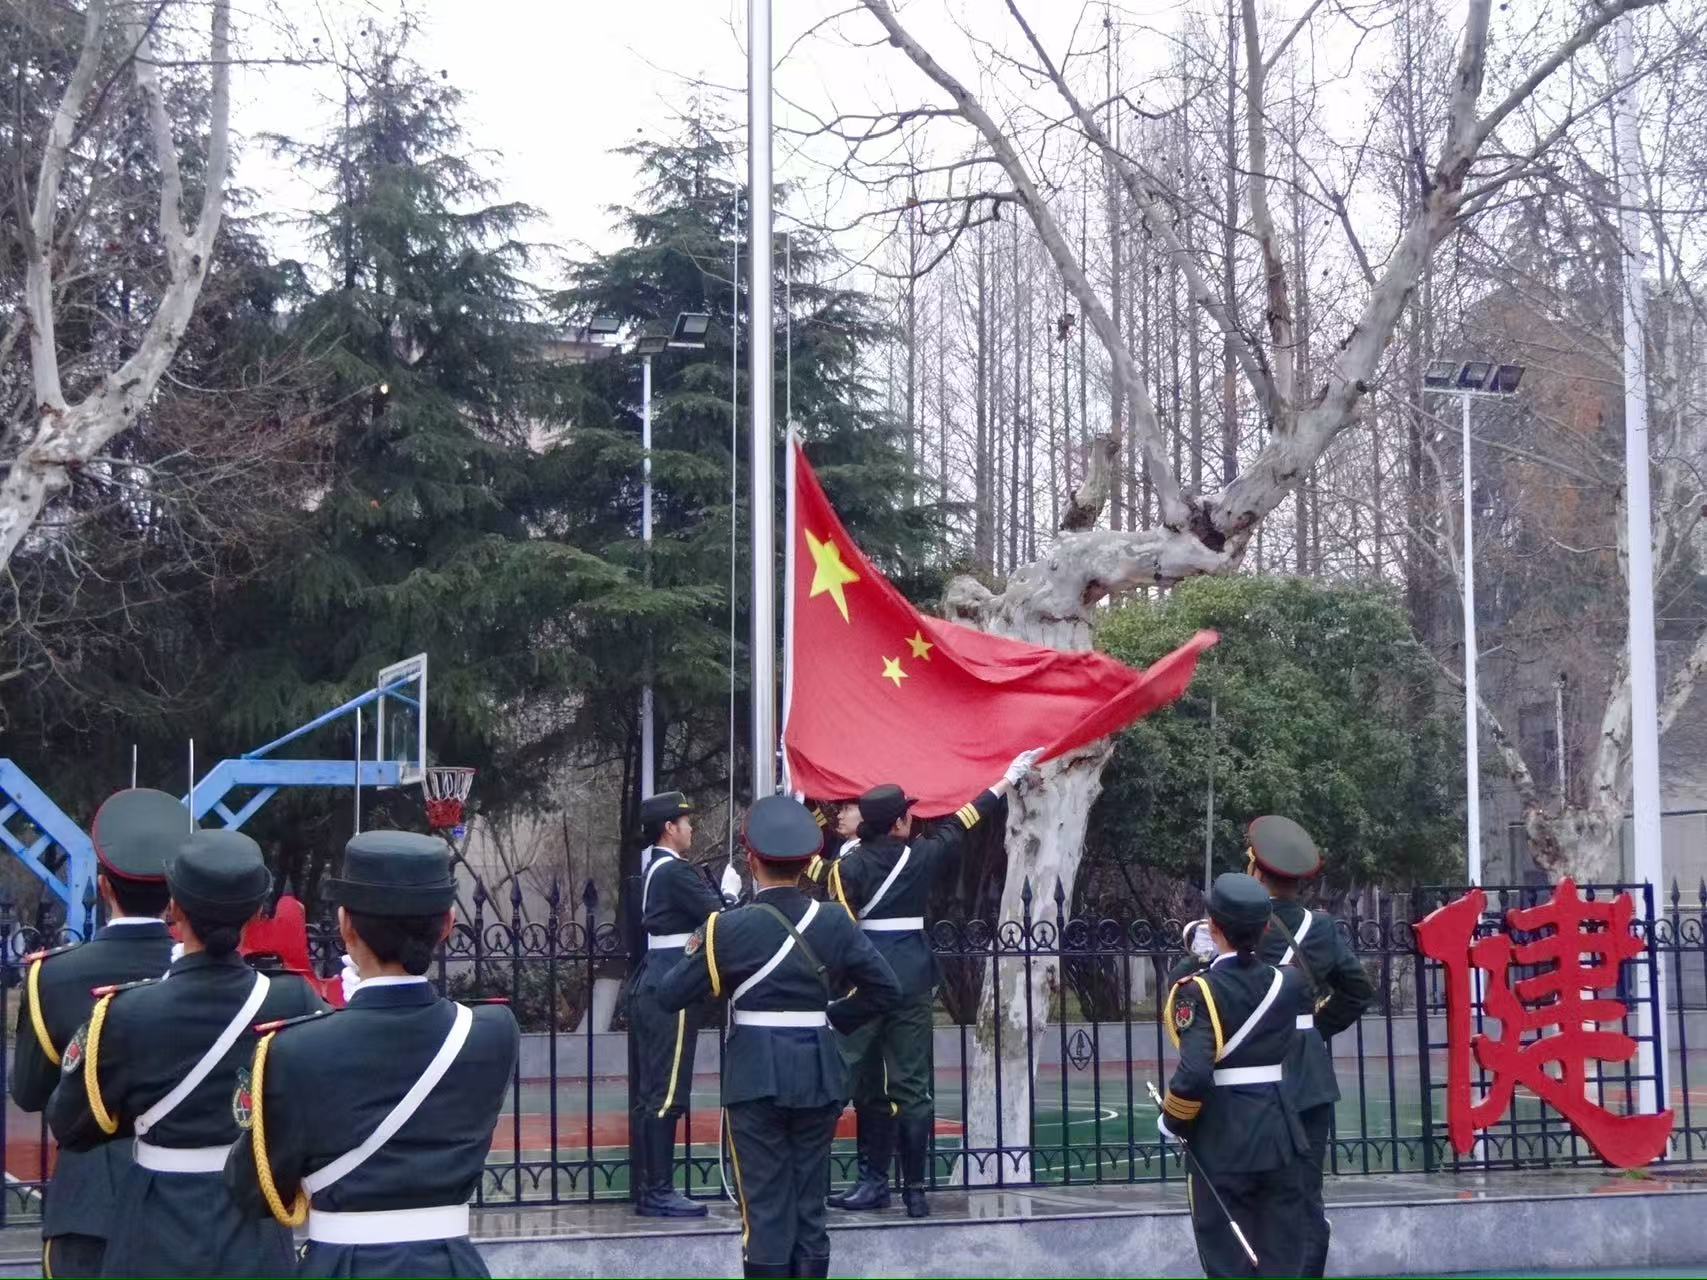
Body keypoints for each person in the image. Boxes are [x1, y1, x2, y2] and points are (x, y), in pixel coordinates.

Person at [225, 831, 520, 1278]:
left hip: (342, 1265)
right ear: (447, 925)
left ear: (346, 926)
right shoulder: (492, 1033)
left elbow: (252, 1189)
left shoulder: (293, 1048)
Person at [45, 829, 328, 1278]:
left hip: (156, 1220)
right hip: (252, 1225)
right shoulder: (294, 1002)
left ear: (174, 908)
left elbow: (70, 1122)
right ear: (256, 911)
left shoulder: (125, 1012)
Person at [656, 795, 900, 1279]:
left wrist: (717, 955)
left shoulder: (726, 928)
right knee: (810, 1208)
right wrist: (833, 1015)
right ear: (807, 863)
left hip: (756, 1078)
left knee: (765, 1211)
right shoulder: (834, 921)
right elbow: (886, 989)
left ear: (751, 860)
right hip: (817, 1073)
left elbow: (669, 994)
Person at [821, 748, 1043, 1217]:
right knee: (912, 1087)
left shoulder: (847, 868)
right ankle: (915, 1190)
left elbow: (841, 932)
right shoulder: (921, 856)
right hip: (912, 980)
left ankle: (869, 1181)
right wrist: (1005, 780)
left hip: (864, 983)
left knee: (858, 1085)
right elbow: (965, 819)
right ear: (898, 823)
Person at [11, 789, 182, 1279]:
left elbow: (29, 1092)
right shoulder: (221, 981)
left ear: (103, 887)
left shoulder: (54, 976)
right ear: (175, 895)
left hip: (88, 1203)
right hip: (187, 1205)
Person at [1159, 873, 1311, 1279]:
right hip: (1280, 1132)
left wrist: (1172, 1120)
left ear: (1213, 927)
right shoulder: (1288, 982)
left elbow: (1194, 1074)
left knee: (1229, 1261)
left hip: (1222, 1137)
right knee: (1282, 1258)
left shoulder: (1197, 990)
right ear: (1265, 929)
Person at [1243, 815, 1374, 1278]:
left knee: (1248, 1191)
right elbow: (1357, 989)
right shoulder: (1320, 928)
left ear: (1256, 869)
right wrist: (1312, 1030)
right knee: (1303, 1195)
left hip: (1246, 1078)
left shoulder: (1240, 924)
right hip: (1307, 1080)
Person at [627, 790, 739, 1217]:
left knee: (653, 1091)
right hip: (670, 984)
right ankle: (658, 1190)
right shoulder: (673, 871)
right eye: (686, 822)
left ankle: (649, 1188)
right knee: (667, 1090)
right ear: (669, 828)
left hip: (656, 980)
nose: (691, 828)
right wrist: (731, 895)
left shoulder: (657, 869)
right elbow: (719, 920)